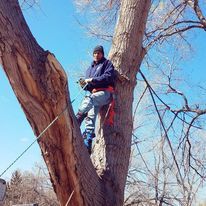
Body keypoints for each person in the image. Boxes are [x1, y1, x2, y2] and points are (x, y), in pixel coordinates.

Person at [76, 45, 115, 154]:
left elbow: (108, 77)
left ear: (102, 54)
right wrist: (84, 84)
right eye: (95, 53)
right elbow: (89, 87)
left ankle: (78, 117)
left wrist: (92, 80)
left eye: (99, 53)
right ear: (93, 55)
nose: (97, 55)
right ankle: (88, 141)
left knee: (90, 99)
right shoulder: (90, 69)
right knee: (90, 116)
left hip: (105, 93)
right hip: (94, 95)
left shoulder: (107, 64)